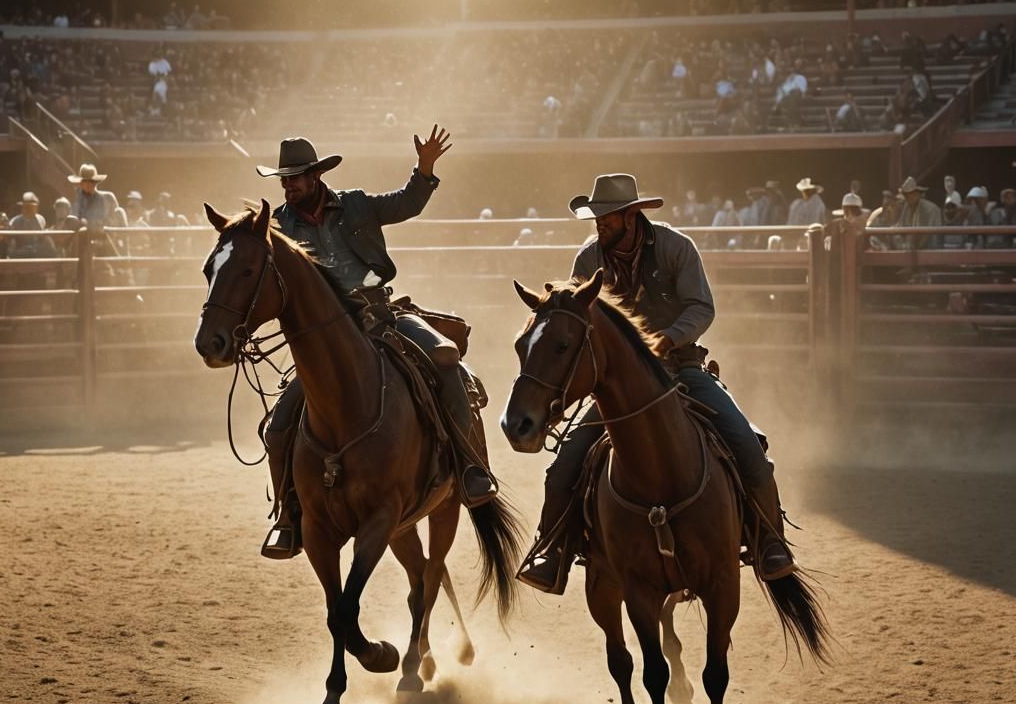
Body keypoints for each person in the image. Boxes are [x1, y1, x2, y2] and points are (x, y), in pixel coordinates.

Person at [517, 173, 796, 595]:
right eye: (597, 218)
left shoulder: (675, 247)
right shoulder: (588, 259)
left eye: (607, 217)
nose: (600, 225)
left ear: (632, 216)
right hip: (616, 385)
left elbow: (702, 308)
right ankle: (551, 549)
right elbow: (576, 320)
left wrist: (667, 338)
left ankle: (769, 539)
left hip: (681, 368)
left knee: (746, 443)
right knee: (562, 469)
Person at [255, 129, 497, 559]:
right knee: (278, 429)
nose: (288, 186)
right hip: (326, 343)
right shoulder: (280, 226)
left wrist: (424, 169)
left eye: (294, 178)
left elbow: (407, 203)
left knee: (445, 357)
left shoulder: (357, 204)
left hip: (381, 316)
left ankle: (471, 469)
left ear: (314, 177)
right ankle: (288, 517)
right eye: (284, 180)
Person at [896, 176, 942, 249]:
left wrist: (914, 245)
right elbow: (900, 227)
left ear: (917, 194)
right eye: (906, 194)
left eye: (911, 193)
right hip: (911, 248)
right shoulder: (906, 207)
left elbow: (929, 235)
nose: (908, 197)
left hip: (930, 247)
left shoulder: (930, 209)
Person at [69, 163, 120, 229]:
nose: (88, 184)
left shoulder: (108, 198)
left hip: (105, 235)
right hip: (85, 236)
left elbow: (116, 221)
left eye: (91, 181)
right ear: (81, 183)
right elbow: (74, 220)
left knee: (119, 211)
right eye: (85, 181)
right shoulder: (77, 201)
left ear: (95, 182)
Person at [8, 192, 55, 258]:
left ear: (36, 208)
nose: (28, 209)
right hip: (20, 251)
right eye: (26, 207)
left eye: (32, 207)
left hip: (37, 251)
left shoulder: (41, 219)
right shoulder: (15, 221)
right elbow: (12, 241)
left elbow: (43, 237)